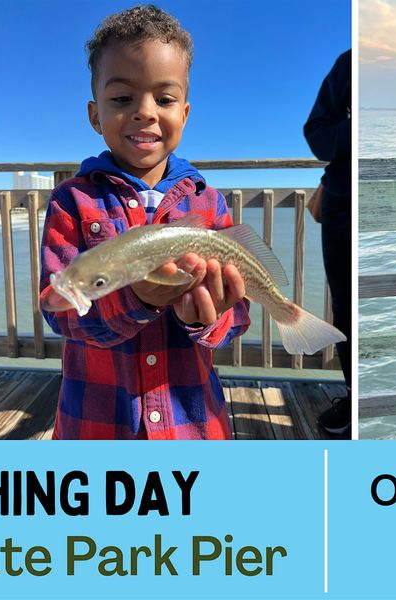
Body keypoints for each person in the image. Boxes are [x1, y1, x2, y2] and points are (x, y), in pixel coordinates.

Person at [38, 4, 250, 440]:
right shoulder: (72, 201)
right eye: (122, 98)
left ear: (185, 115)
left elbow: (236, 318)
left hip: (191, 424)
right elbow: (58, 309)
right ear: (95, 114)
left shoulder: (209, 203)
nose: (145, 112)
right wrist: (137, 299)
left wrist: (208, 319)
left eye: (165, 99)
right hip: (96, 425)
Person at [303, 50, 352, 439]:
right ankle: (353, 395)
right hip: (341, 205)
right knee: (345, 304)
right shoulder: (349, 63)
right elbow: (316, 134)